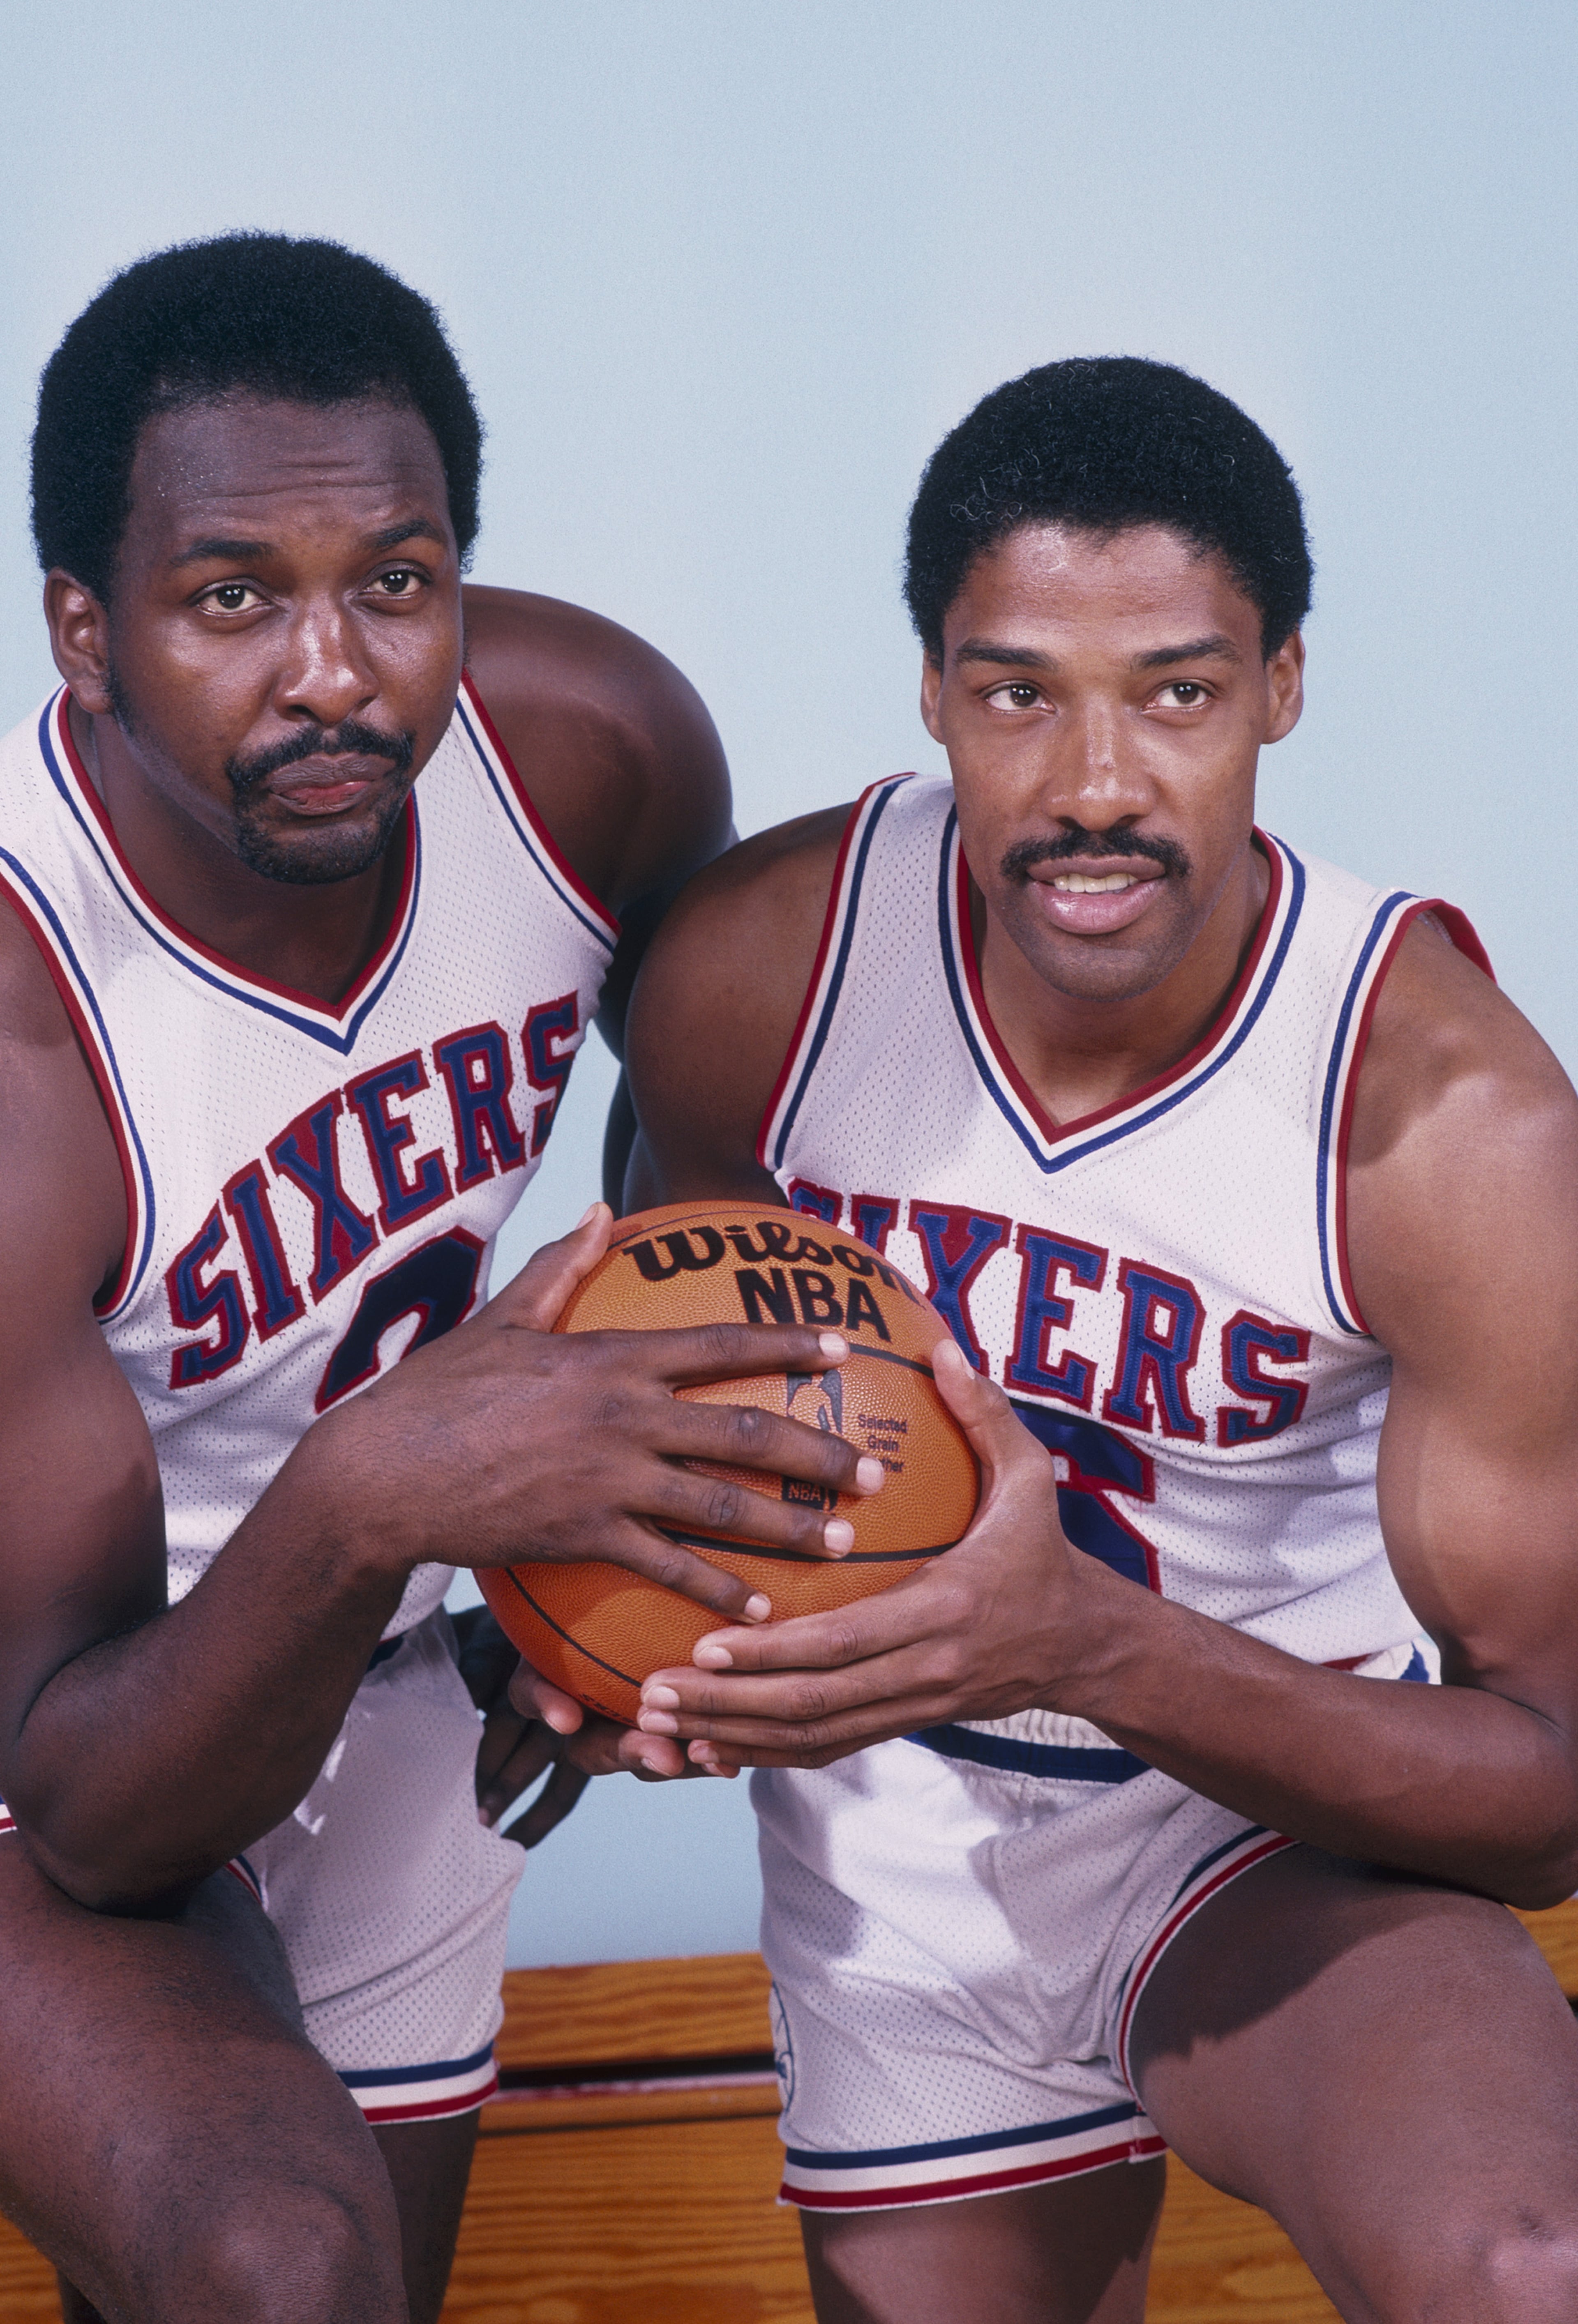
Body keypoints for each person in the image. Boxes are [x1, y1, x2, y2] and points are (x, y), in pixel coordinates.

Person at [586, 358, 1578, 2321]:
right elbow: (656, 1383)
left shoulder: (1450, 1123)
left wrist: (1083, 1640)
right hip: (904, 1848)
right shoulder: (761, 973)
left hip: (1272, 1825)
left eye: (1180, 692)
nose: (1098, 783)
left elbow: (1547, 1792)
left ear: (1285, 685)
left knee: (1529, 2262)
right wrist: (615, 1641)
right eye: (1021, 691)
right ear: (937, 689)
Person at [0, 232, 881, 2324]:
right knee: (276, 2265)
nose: (337, 672)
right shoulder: (30, 1038)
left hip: (386, 1651)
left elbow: (690, 1177)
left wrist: (611, 1589)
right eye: (232, 598)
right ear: (88, 637)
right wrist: (387, 1486)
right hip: (59, 1737)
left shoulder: (592, 756)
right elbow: (92, 1794)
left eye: (396, 580)